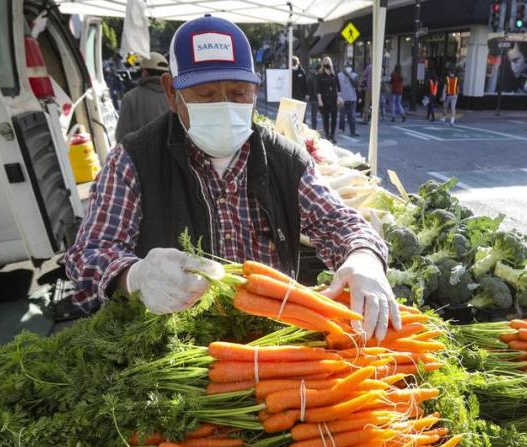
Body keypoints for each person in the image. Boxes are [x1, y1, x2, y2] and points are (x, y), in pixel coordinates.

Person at [63, 15, 400, 342]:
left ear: (255, 89)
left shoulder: (287, 161)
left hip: (270, 344)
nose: (224, 106)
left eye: (239, 93)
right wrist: (132, 276)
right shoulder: (133, 160)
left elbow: (338, 222)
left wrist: (364, 258)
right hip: (168, 349)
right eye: (206, 95)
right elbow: (87, 256)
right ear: (171, 92)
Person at [115, 52, 171, 143]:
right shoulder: (176, 97)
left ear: (144, 72)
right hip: (171, 156)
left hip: (140, 155)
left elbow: (121, 136)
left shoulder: (130, 98)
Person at [316, 56, 341, 144]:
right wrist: (319, 100)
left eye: (328, 62)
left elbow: (338, 87)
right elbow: (318, 88)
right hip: (324, 99)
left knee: (334, 118)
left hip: (333, 99)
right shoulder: (320, 75)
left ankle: (332, 135)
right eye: (325, 62)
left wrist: (338, 98)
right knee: (326, 119)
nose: (327, 63)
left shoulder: (334, 74)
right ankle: (327, 136)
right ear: (323, 64)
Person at [337, 63, 359, 137]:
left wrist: (349, 76)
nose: (348, 68)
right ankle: (341, 129)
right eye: (347, 67)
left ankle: (353, 131)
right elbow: (337, 86)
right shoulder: (339, 75)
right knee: (342, 115)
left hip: (352, 98)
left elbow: (356, 85)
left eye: (349, 67)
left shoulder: (354, 75)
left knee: (352, 116)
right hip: (342, 99)